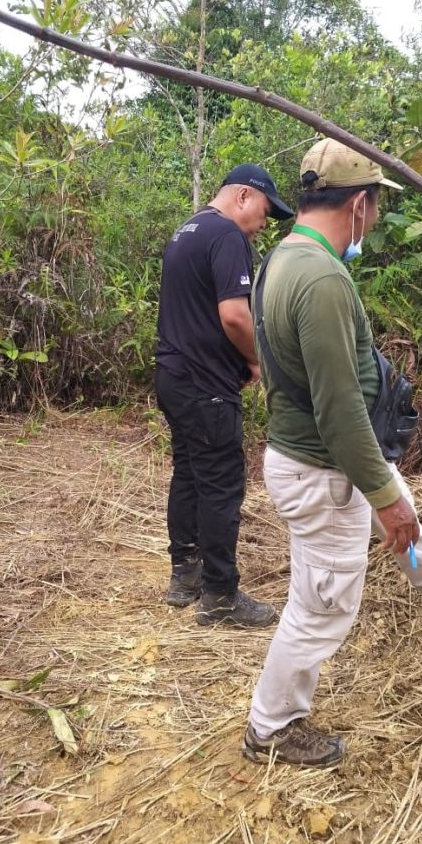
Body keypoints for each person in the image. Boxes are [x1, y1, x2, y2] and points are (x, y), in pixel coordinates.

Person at [242, 138, 422, 767]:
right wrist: (383, 499)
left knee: (405, 513)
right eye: (377, 208)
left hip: (325, 458)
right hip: (324, 468)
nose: (376, 220)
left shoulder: (284, 258)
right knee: (323, 604)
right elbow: (338, 409)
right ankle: (270, 727)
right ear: (359, 204)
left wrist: (389, 493)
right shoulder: (323, 279)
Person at [155, 164, 294, 628]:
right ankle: (219, 595)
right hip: (205, 383)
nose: (263, 224)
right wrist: (258, 362)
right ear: (242, 196)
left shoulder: (186, 230)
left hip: (173, 376)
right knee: (220, 484)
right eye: (264, 211)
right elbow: (235, 315)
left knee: (190, 474)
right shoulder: (227, 236)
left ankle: (184, 576)